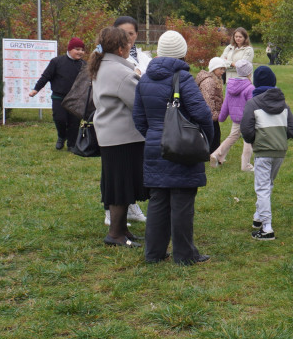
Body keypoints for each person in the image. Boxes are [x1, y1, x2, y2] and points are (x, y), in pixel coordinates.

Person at [133, 30, 214, 265]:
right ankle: (184, 255)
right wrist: (204, 141)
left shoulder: (144, 79)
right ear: (182, 53)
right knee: (182, 203)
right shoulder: (183, 78)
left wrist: (154, 136)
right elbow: (202, 114)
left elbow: (138, 118)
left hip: (155, 147)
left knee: (158, 201)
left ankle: (154, 253)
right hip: (182, 148)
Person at [90, 27, 147, 248]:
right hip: (122, 136)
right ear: (121, 48)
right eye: (129, 43)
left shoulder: (103, 64)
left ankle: (122, 230)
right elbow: (138, 101)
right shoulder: (119, 71)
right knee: (120, 186)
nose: (131, 45)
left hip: (111, 134)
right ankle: (115, 234)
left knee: (119, 184)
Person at [241, 65, 293, 239]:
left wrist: (254, 140)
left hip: (263, 150)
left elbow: (246, 129)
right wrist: (280, 138)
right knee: (268, 184)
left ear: (255, 83)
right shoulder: (284, 104)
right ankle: (258, 217)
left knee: (262, 188)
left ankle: (266, 228)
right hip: (279, 151)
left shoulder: (253, 103)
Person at [30, 37, 86, 149]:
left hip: (76, 99)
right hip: (59, 97)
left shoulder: (84, 65)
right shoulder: (57, 61)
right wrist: (36, 89)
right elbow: (45, 76)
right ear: (69, 49)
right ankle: (61, 136)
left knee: (74, 123)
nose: (80, 52)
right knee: (60, 119)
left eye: (82, 50)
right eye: (77, 49)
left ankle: (72, 144)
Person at [212, 59, 255, 171]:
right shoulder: (250, 88)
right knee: (248, 140)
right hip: (247, 119)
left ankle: (216, 154)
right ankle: (245, 165)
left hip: (235, 118)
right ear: (250, 72)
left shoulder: (230, 85)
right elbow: (252, 106)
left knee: (232, 136)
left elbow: (226, 102)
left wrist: (222, 117)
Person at [196, 57, 227, 154]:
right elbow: (208, 99)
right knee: (213, 135)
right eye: (220, 69)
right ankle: (211, 154)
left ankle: (212, 153)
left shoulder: (216, 79)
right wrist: (213, 115)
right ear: (214, 68)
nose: (222, 71)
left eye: (224, 69)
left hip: (213, 113)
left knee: (215, 134)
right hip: (209, 114)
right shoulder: (209, 81)